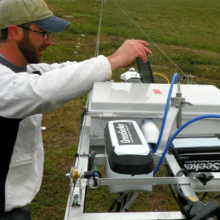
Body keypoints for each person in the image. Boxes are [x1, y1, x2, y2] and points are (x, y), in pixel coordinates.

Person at [0, 0, 152, 219]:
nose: (50, 42)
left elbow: (58, 71)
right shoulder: (6, 83)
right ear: (14, 32)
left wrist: (104, 65)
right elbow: (42, 91)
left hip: (15, 203)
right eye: (43, 34)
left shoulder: (22, 70)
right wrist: (113, 60)